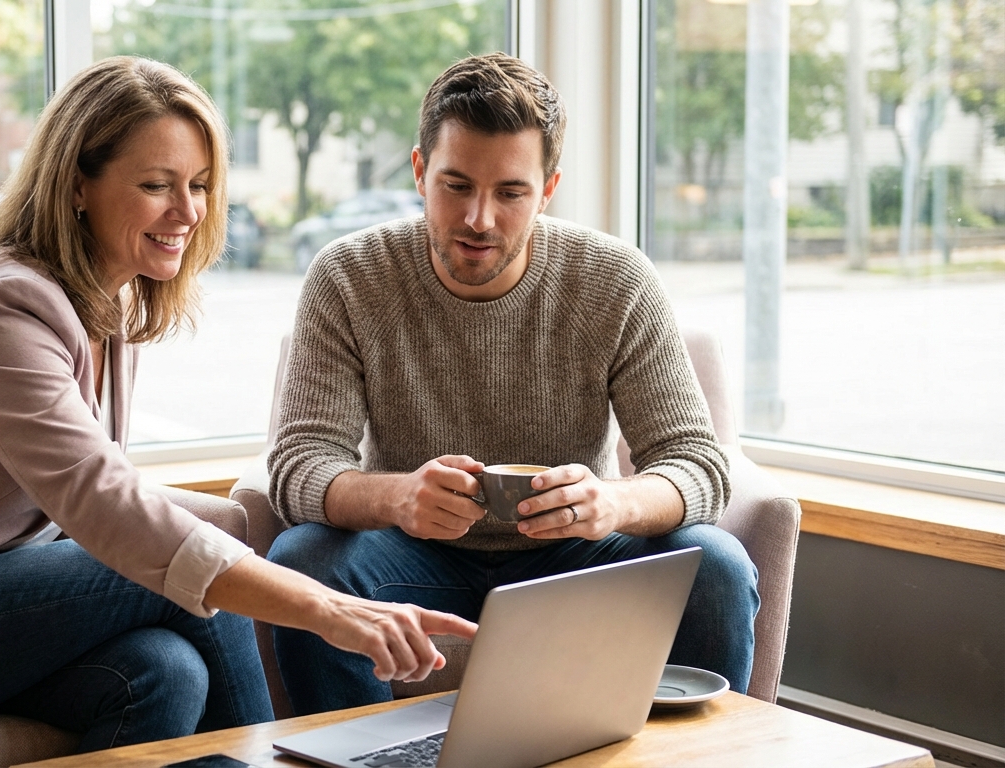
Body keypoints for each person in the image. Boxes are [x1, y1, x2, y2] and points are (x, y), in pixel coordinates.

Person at [0, 56, 475, 753]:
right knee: (174, 576)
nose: (188, 211)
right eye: (157, 185)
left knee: (163, 673)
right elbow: (101, 502)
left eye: (198, 184)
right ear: (77, 185)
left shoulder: (105, 301)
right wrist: (330, 609)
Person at [266, 53, 760, 716]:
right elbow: (299, 468)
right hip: (411, 560)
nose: (479, 219)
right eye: (456, 185)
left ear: (548, 188)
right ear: (419, 171)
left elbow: (698, 465)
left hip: (574, 560)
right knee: (303, 561)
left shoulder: (615, 279)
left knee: (717, 566)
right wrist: (399, 497)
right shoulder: (348, 277)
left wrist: (612, 503)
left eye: (510, 192)